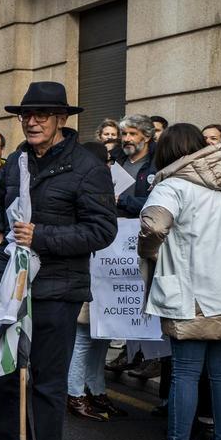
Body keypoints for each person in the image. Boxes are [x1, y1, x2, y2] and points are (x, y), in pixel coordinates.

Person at [0, 82, 117, 440]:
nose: (32, 122)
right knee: (5, 372)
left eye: (42, 115)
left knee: (47, 381)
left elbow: (101, 230)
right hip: (12, 287)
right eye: (26, 115)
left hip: (57, 289)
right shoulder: (17, 160)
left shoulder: (87, 168)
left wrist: (42, 236)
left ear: (61, 120)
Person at [135, 124, 221, 440]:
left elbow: (155, 226)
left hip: (190, 295)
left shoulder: (173, 185)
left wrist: (148, 253)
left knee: (186, 375)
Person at [67, 142, 127, 422]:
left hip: (107, 272)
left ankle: (96, 389)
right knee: (83, 337)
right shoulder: (83, 186)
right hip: (89, 270)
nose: (110, 165)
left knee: (101, 337)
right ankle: (75, 393)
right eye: (106, 160)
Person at [111, 114, 157, 218]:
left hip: (144, 226)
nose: (126, 139)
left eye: (132, 134)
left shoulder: (157, 164)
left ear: (147, 137)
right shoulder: (114, 160)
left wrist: (122, 200)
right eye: (124, 134)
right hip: (114, 224)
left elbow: (157, 203)